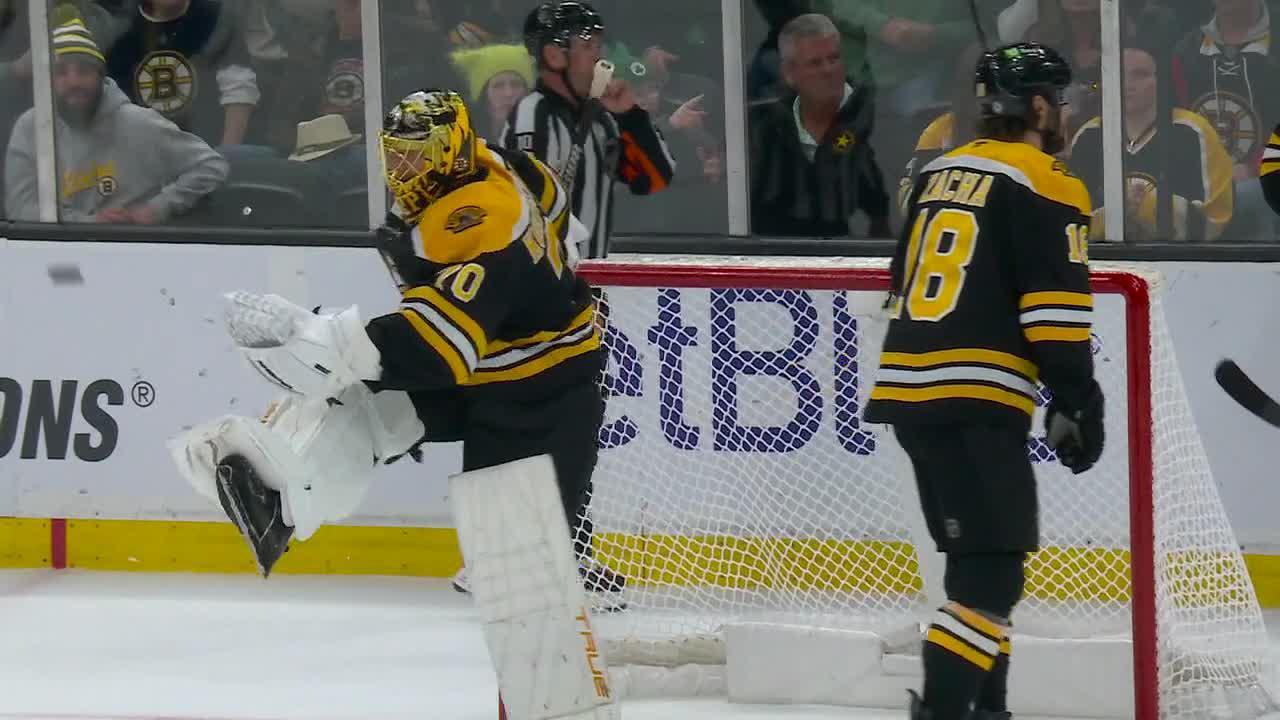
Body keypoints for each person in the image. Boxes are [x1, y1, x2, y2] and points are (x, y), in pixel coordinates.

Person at [169, 89, 624, 606]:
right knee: (366, 408)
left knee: (514, 584)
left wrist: (324, 341)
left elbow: (436, 349)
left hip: (540, 386)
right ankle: (278, 504)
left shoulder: (481, 219)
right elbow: (559, 207)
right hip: (491, 359)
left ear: (449, 148)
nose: (403, 168)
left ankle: (568, 555)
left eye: (417, 154)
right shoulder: (498, 161)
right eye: (396, 153)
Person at [862, 43, 1105, 720]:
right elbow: (1054, 312)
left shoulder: (938, 172)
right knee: (993, 575)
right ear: (1035, 106)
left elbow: (899, 281)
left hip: (912, 392)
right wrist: (1079, 398)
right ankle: (942, 712)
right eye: (1058, 100)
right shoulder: (1047, 179)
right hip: (976, 397)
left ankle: (987, 710)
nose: (1063, 112)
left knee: (972, 567)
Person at [5, 14, 228, 223]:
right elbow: (20, 208)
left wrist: (158, 208)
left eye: (84, 71)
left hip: (135, 248)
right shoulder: (30, 129)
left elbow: (211, 166)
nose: (74, 82)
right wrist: (90, 223)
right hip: (55, 251)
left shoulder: (138, 123)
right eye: (61, 72)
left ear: (101, 76)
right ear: (47, 80)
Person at [501, 0, 675, 260]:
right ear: (554, 55)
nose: (599, 55)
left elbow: (654, 179)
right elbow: (523, 210)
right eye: (587, 46)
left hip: (594, 280)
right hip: (544, 287)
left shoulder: (603, 120)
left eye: (598, 45)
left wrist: (630, 115)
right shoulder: (532, 115)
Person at [748, 13, 892, 239]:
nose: (828, 70)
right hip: (780, 256)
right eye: (815, 63)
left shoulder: (879, 118)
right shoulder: (762, 126)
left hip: (861, 255)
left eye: (834, 59)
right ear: (789, 73)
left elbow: (885, 213)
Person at [1069, 44, 1234, 242]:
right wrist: (1114, 214)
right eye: (1118, 73)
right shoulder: (1088, 137)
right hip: (1104, 262)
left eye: (1140, 74)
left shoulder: (1193, 132)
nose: (1127, 84)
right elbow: (1070, 224)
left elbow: (1216, 220)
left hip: (1182, 263)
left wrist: (1148, 206)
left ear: (1162, 81)